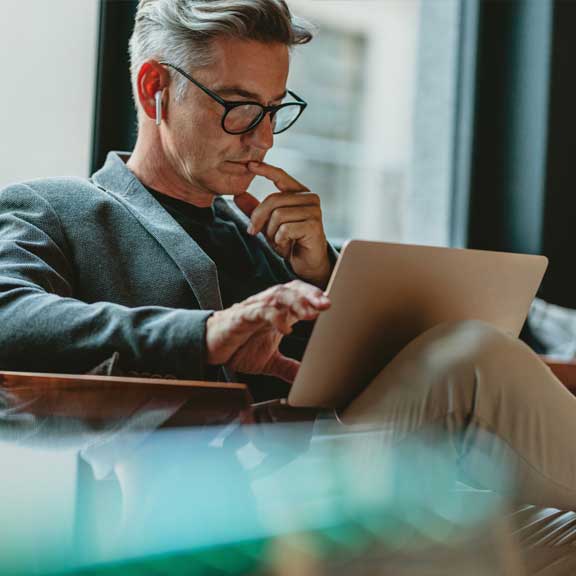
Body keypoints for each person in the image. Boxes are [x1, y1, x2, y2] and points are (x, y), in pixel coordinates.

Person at [1, 0, 576, 528]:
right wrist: (206, 333)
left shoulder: (271, 238)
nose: (265, 139)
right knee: (471, 358)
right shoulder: (57, 209)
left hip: (353, 482)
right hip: (219, 506)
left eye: (276, 110)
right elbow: (10, 316)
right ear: (155, 88)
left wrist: (323, 273)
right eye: (241, 108)